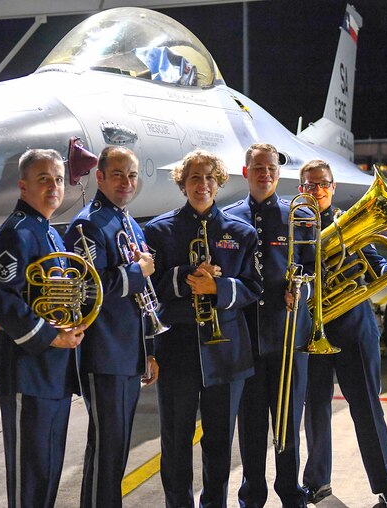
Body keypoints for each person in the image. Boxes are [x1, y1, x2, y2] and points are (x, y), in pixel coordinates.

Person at [144, 149, 262, 508]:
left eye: (210, 177)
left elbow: (255, 288)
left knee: (219, 444)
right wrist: (185, 279)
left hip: (226, 353)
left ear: (219, 182)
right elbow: (150, 291)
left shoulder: (240, 232)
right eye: (195, 177)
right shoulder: (158, 230)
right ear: (183, 184)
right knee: (176, 442)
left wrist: (219, 289)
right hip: (178, 350)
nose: (203, 184)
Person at [299, 160, 387, 508]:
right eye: (309, 185)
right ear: (300, 187)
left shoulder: (348, 221)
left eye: (323, 185)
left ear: (332, 187)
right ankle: (316, 483)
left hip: (353, 328)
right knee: (314, 409)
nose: (316, 191)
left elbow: (374, 260)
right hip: (310, 330)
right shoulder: (293, 226)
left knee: (367, 408)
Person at [0, 148, 86, 508]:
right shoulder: (17, 232)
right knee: (29, 476)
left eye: (58, 179)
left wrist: (74, 325)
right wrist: (52, 336)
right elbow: (2, 299)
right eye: (43, 179)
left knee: (47, 469)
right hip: (27, 371)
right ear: (23, 186)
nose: (54, 187)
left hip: (52, 373)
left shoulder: (50, 233)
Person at [63, 145, 159, 508]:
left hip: (127, 353)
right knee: (107, 447)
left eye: (131, 175)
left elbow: (141, 300)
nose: (126, 181)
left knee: (116, 448)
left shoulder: (129, 222)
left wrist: (148, 352)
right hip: (103, 354)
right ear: (99, 176)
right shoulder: (88, 224)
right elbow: (91, 288)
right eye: (117, 174)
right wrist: (139, 271)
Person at [222, 143, 314, 507]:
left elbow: (311, 265)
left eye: (271, 167)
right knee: (252, 424)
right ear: (245, 172)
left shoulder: (298, 216)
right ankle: (252, 493)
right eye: (258, 167)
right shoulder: (228, 218)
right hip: (246, 339)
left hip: (288, 336)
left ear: (279, 172)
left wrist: (300, 289)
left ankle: (291, 492)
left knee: (289, 423)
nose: (265, 173)